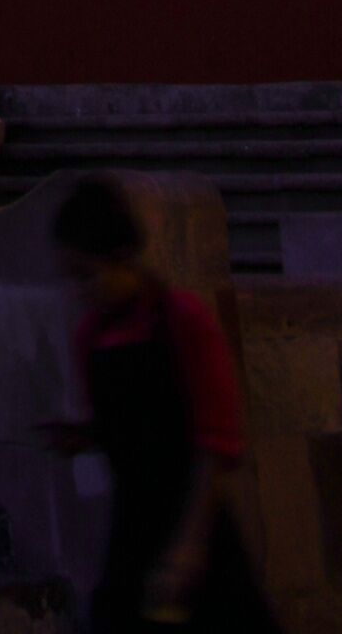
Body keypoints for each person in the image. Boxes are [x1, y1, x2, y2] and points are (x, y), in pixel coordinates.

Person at [52, 176, 277, 634]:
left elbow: (213, 444)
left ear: (119, 258)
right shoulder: (91, 336)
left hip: (193, 522)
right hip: (132, 527)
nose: (81, 290)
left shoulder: (182, 320)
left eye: (86, 273)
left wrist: (188, 547)